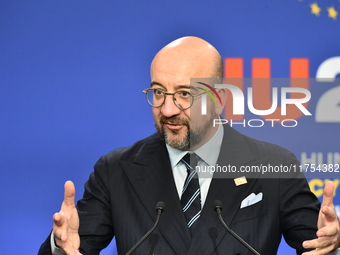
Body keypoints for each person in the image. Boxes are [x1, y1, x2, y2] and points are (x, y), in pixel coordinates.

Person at [38, 36, 340, 255]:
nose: (167, 109)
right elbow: (73, 246)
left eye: (184, 94)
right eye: (158, 92)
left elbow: (319, 245)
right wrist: (59, 248)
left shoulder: (274, 166)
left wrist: (334, 245)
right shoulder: (115, 171)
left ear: (219, 100)